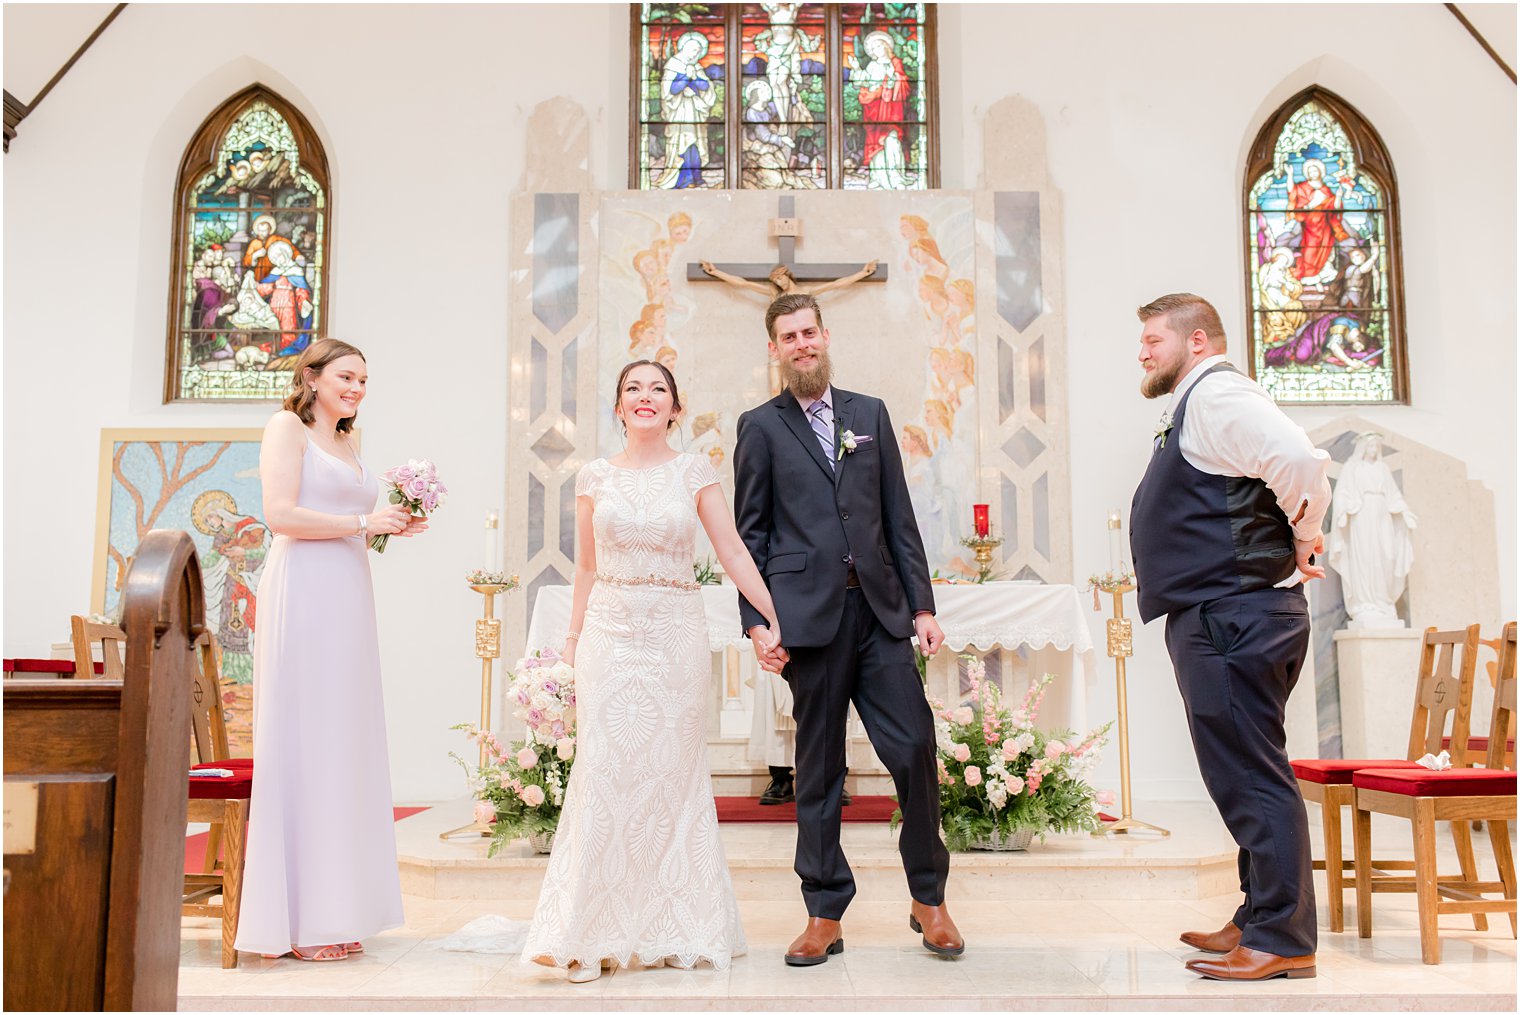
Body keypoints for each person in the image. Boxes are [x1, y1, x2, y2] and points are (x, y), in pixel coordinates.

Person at [522, 360, 783, 983]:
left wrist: (773, 615)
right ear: (618, 407)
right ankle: (591, 933)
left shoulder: (693, 470)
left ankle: (679, 924)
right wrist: (571, 642)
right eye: (632, 389)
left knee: (671, 773)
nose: (644, 397)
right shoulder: (591, 476)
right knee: (606, 773)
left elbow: (731, 549)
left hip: (673, 631)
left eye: (657, 389)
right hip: (610, 634)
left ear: (674, 407)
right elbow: (584, 568)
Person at [732, 292, 962, 966]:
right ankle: (824, 909)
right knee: (820, 767)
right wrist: (756, 621)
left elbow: (899, 516)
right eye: (788, 336)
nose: (802, 343)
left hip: (882, 614)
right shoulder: (760, 425)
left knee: (916, 745)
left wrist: (922, 605)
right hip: (809, 621)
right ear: (773, 349)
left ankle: (929, 896)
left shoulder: (869, 414)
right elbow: (751, 534)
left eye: (809, 331)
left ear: (825, 336)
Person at [1128, 293, 1329, 982]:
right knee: (1242, 767)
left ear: (1199, 340)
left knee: (1249, 772)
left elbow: (1300, 458)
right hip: (1226, 610)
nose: (1144, 352)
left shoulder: (1216, 396)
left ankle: (1283, 935)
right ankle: (1257, 915)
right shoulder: (1200, 401)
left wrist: (1305, 534)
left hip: (1234, 612)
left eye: (1155, 339)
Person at [234, 338, 427, 962]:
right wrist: (362, 524)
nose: (357, 389)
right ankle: (296, 924)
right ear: (312, 377)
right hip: (304, 592)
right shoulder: (285, 427)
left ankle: (336, 911)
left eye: (365, 380)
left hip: (347, 591)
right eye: (347, 376)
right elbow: (281, 515)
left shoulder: (349, 441)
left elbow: (349, 521)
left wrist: (392, 523)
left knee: (342, 745)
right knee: (306, 741)